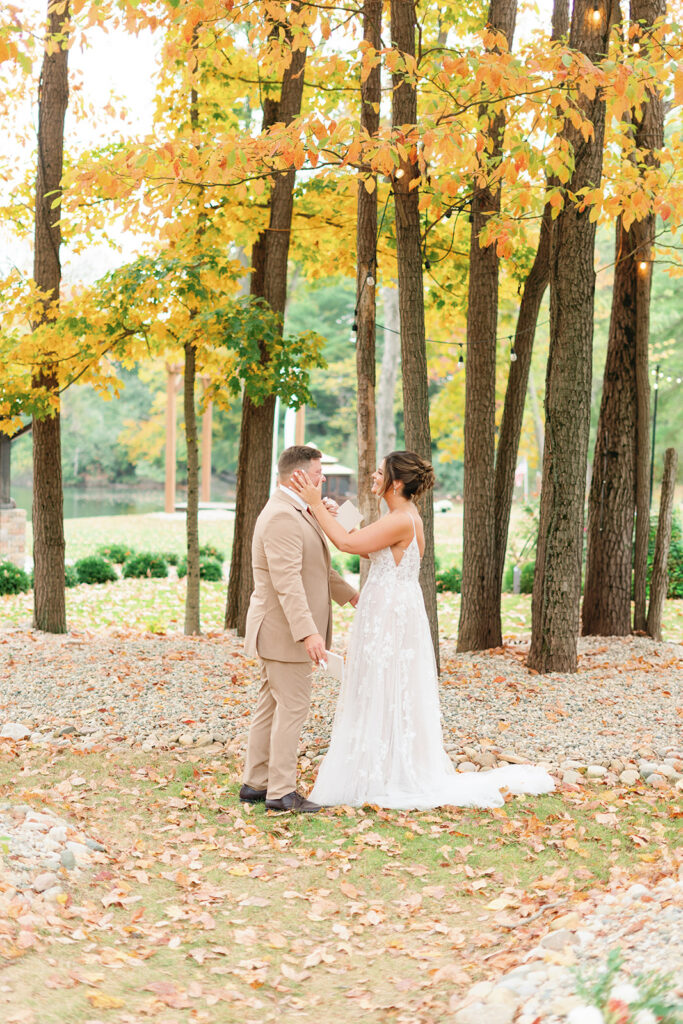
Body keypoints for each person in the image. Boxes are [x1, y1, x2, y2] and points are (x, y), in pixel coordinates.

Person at [290, 450, 554, 810]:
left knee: (384, 684)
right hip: (388, 611)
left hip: (390, 616)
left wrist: (315, 504)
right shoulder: (399, 516)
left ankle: (387, 772)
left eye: (380, 471)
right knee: (381, 685)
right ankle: (382, 766)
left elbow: (349, 544)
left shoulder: (401, 518)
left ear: (396, 483)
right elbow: (367, 546)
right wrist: (336, 513)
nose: (372, 474)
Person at [241, 445, 358, 814]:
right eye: (318, 472)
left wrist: (353, 597)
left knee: (271, 706)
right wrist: (309, 633)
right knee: (293, 707)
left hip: (280, 630)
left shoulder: (299, 511)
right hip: (283, 632)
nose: (323, 478)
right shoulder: (282, 516)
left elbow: (316, 568)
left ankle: (255, 783)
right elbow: (287, 582)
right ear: (299, 476)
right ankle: (281, 792)